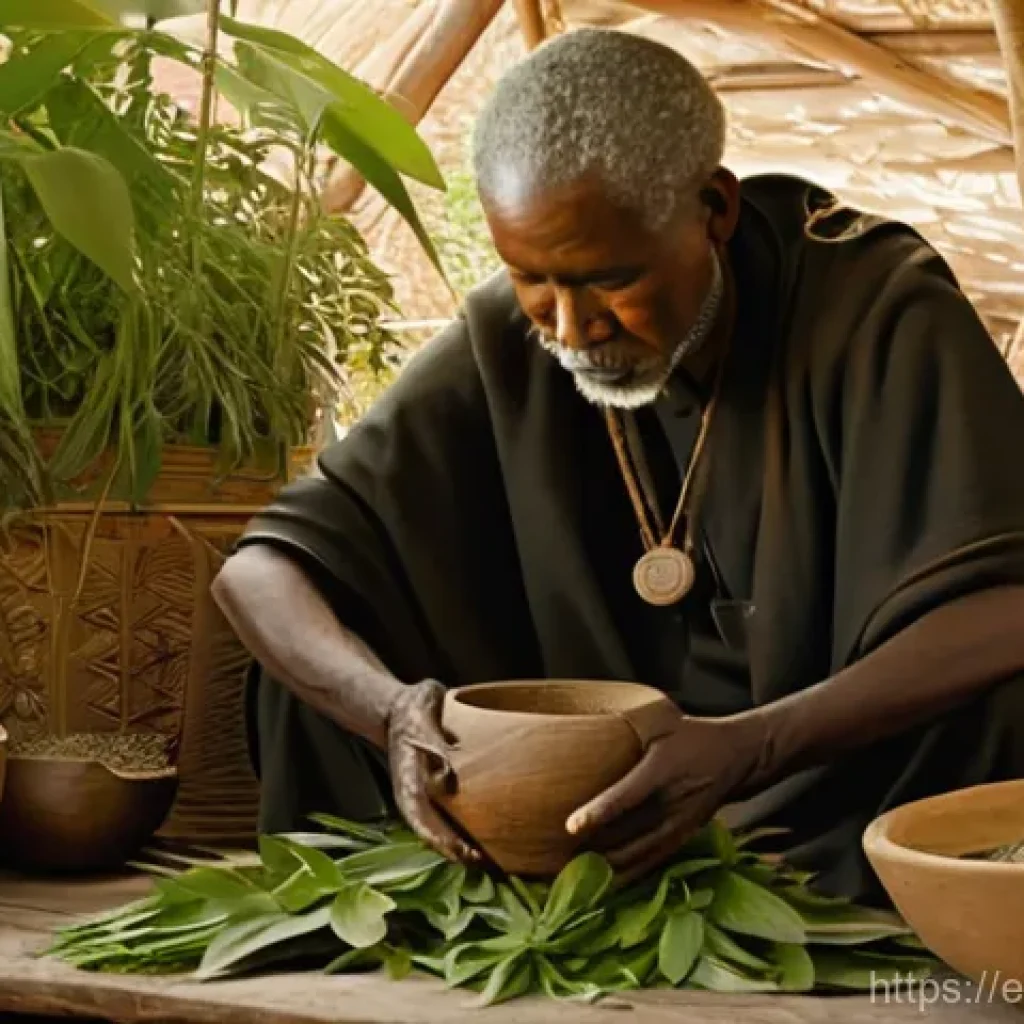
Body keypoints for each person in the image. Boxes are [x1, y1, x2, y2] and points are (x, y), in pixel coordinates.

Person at [212, 27, 1024, 903]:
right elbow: (260, 573)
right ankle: (461, 896)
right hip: (577, 799)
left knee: (999, 699)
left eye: (610, 278)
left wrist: (755, 745)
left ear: (715, 209)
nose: (571, 328)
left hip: (827, 784)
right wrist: (393, 714)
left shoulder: (877, 305)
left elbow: (1009, 607)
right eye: (532, 278)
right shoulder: (511, 336)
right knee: (318, 671)